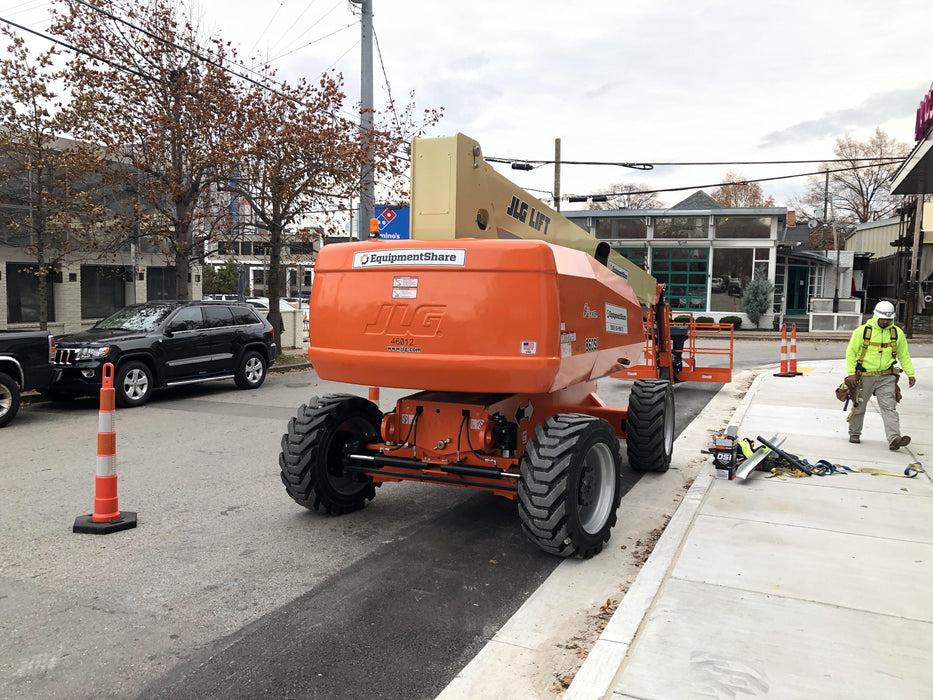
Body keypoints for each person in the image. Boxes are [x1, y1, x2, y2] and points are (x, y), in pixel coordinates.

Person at [845, 300, 916, 450]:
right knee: (859, 406)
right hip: (865, 376)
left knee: (889, 407)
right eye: (883, 319)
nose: (885, 322)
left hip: (887, 376)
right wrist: (851, 374)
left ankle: (894, 438)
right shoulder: (862, 331)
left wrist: (910, 374)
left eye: (888, 319)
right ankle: (854, 433)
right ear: (876, 316)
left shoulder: (897, 333)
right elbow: (850, 353)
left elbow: (904, 355)